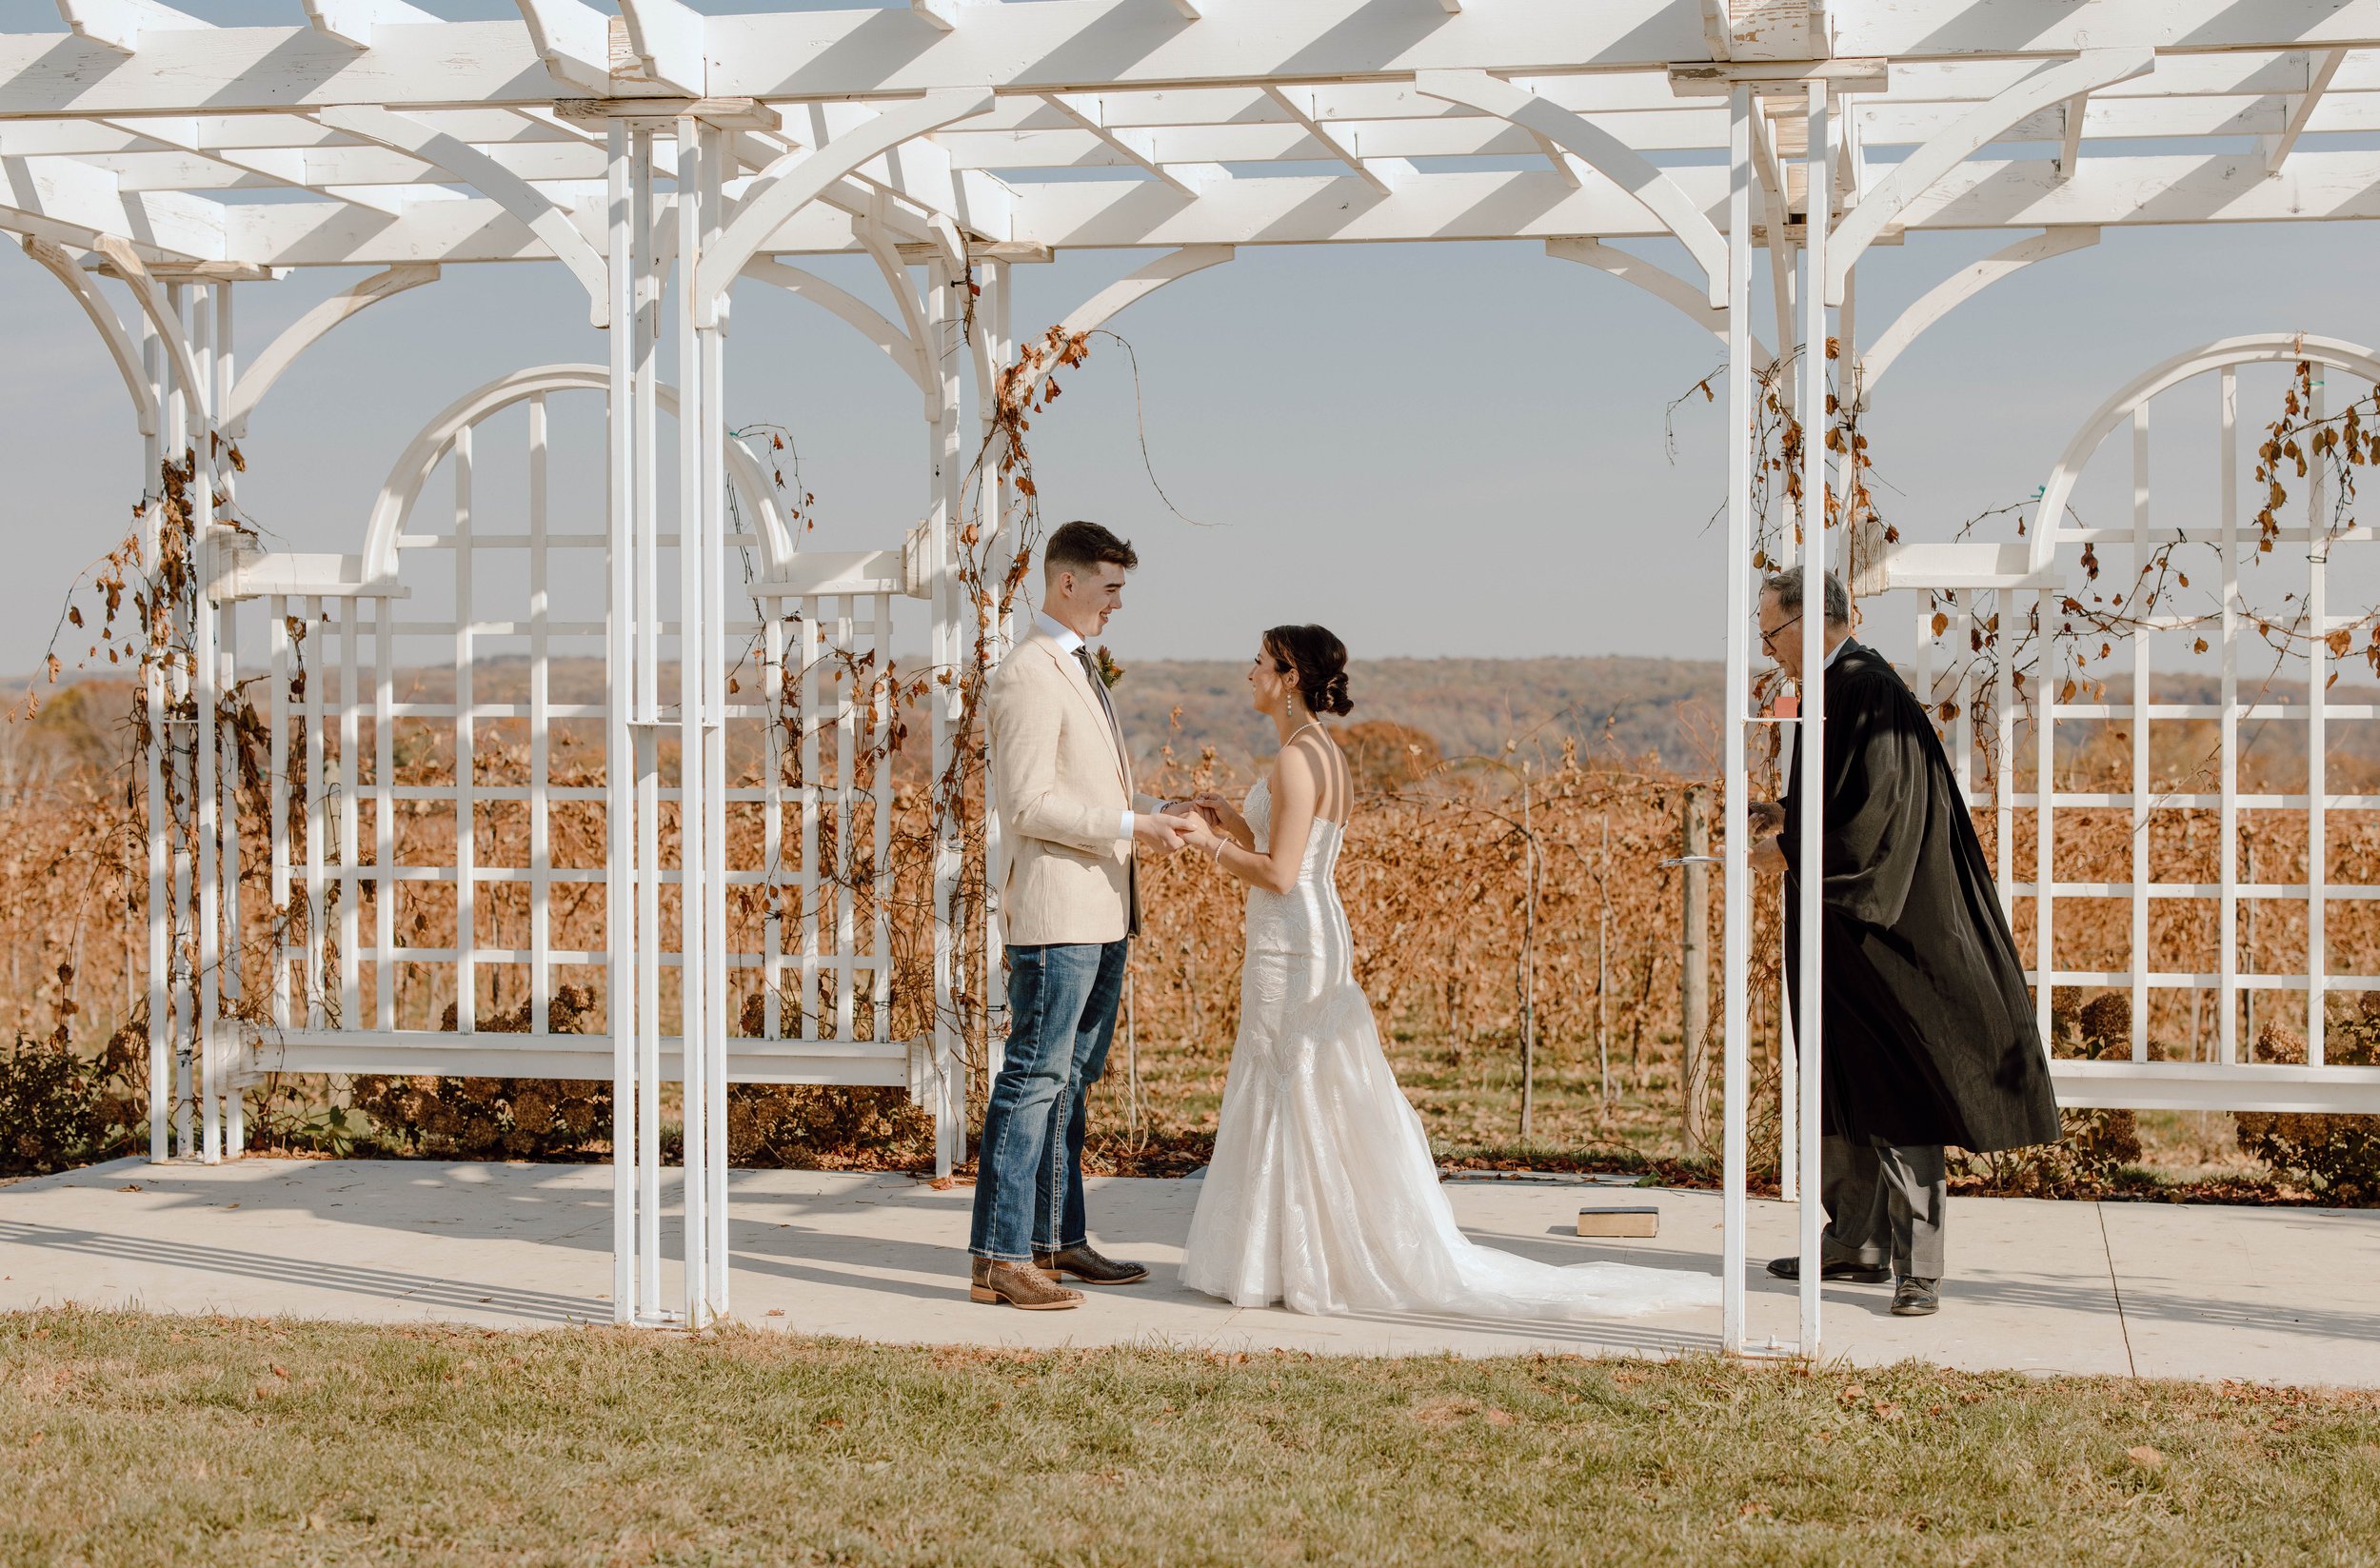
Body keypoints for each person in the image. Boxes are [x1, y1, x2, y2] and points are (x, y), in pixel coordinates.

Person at [1174, 625, 1718, 1321]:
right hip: (1314, 928)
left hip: (1291, 942)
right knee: (1302, 1083)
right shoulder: (1320, 753)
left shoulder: (1293, 762)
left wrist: (1206, 846)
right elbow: (1293, 853)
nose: (1248, 671)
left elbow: (1280, 874)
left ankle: (1293, 1255)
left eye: (1258, 662)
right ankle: (1296, 1248)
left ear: (1288, 677)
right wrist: (1230, 823)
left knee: (1289, 1080)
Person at [1750, 566, 2061, 1318]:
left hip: (1881, 926)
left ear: (1813, 620)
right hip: (1837, 921)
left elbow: (1872, 819)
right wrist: (1783, 814)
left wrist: (1788, 849)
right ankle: (1854, 1238)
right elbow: (1835, 795)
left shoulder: (1867, 690)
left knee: (1895, 1083)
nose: (1769, 649)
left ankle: (1918, 1264)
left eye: (1772, 632)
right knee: (1839, 1076)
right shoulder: (1833, 688)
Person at [971, 521, 1198, 1310]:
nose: (1117, 604)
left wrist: (1154, 810)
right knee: (1032, 1081)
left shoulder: (1078, 667)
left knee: (1071, 1083)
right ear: (1066, 583)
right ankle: (999, 1256)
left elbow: (1088, 794)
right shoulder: (1028, 674)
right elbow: (1030, 804)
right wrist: (1131, 828)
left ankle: (1056, 1241)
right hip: (1056, 918)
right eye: (1110, 588)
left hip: (1104, 914)